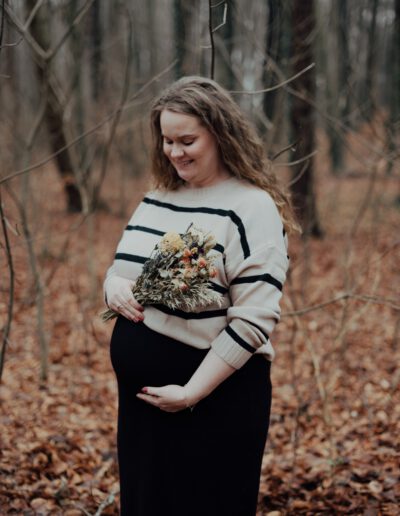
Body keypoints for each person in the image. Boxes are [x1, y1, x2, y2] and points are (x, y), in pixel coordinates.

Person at [104, 76, 300, 516]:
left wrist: (192, 392)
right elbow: (122, 268)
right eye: (168, 140)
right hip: (143, 408)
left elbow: (254, 319)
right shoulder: (158, 195)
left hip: (214, 402)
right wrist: (112, 287)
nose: (175, 151)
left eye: (187, 140)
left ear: (219, 133)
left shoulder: (252, 207)